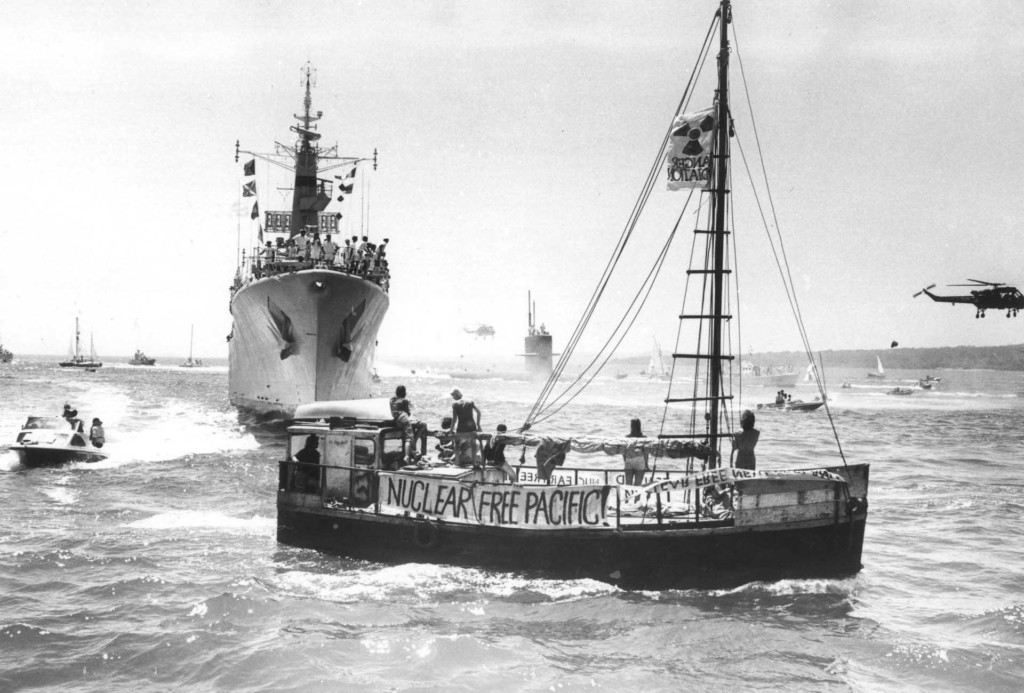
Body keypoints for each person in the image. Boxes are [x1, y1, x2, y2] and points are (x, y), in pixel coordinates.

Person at [389, 385, 422, 462]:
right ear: (404, 393)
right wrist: (409, 406)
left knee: (409, 435)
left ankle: (412, 451)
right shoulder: (405, 401)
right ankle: (407, 456)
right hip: (403, 418)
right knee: (409, 437)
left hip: (395, 420)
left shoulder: (391, 400)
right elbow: (408, 413)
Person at [450, 388, 481, 467]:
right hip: (472, 427)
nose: (453, 398)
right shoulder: (470, 401)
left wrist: (451, 429)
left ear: (455, 396)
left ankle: (457, 462)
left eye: (453, 396)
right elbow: (478, 412)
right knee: (473, 444)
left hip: (461, 427)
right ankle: (474, 463)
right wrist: (478, 424)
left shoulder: (455, 404)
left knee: (457, 444)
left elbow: (454, 418)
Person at [622, 418, 649, 486]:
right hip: (640, 460)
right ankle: (636, 497)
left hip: (629, 460)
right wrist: (647, 465)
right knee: (637, 485)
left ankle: (628, 496)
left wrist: (625, 461)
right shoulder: (644, 437)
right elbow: (646, 452)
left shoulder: (627, 437)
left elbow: (623, 452)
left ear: (631, 426)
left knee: (628, 484)